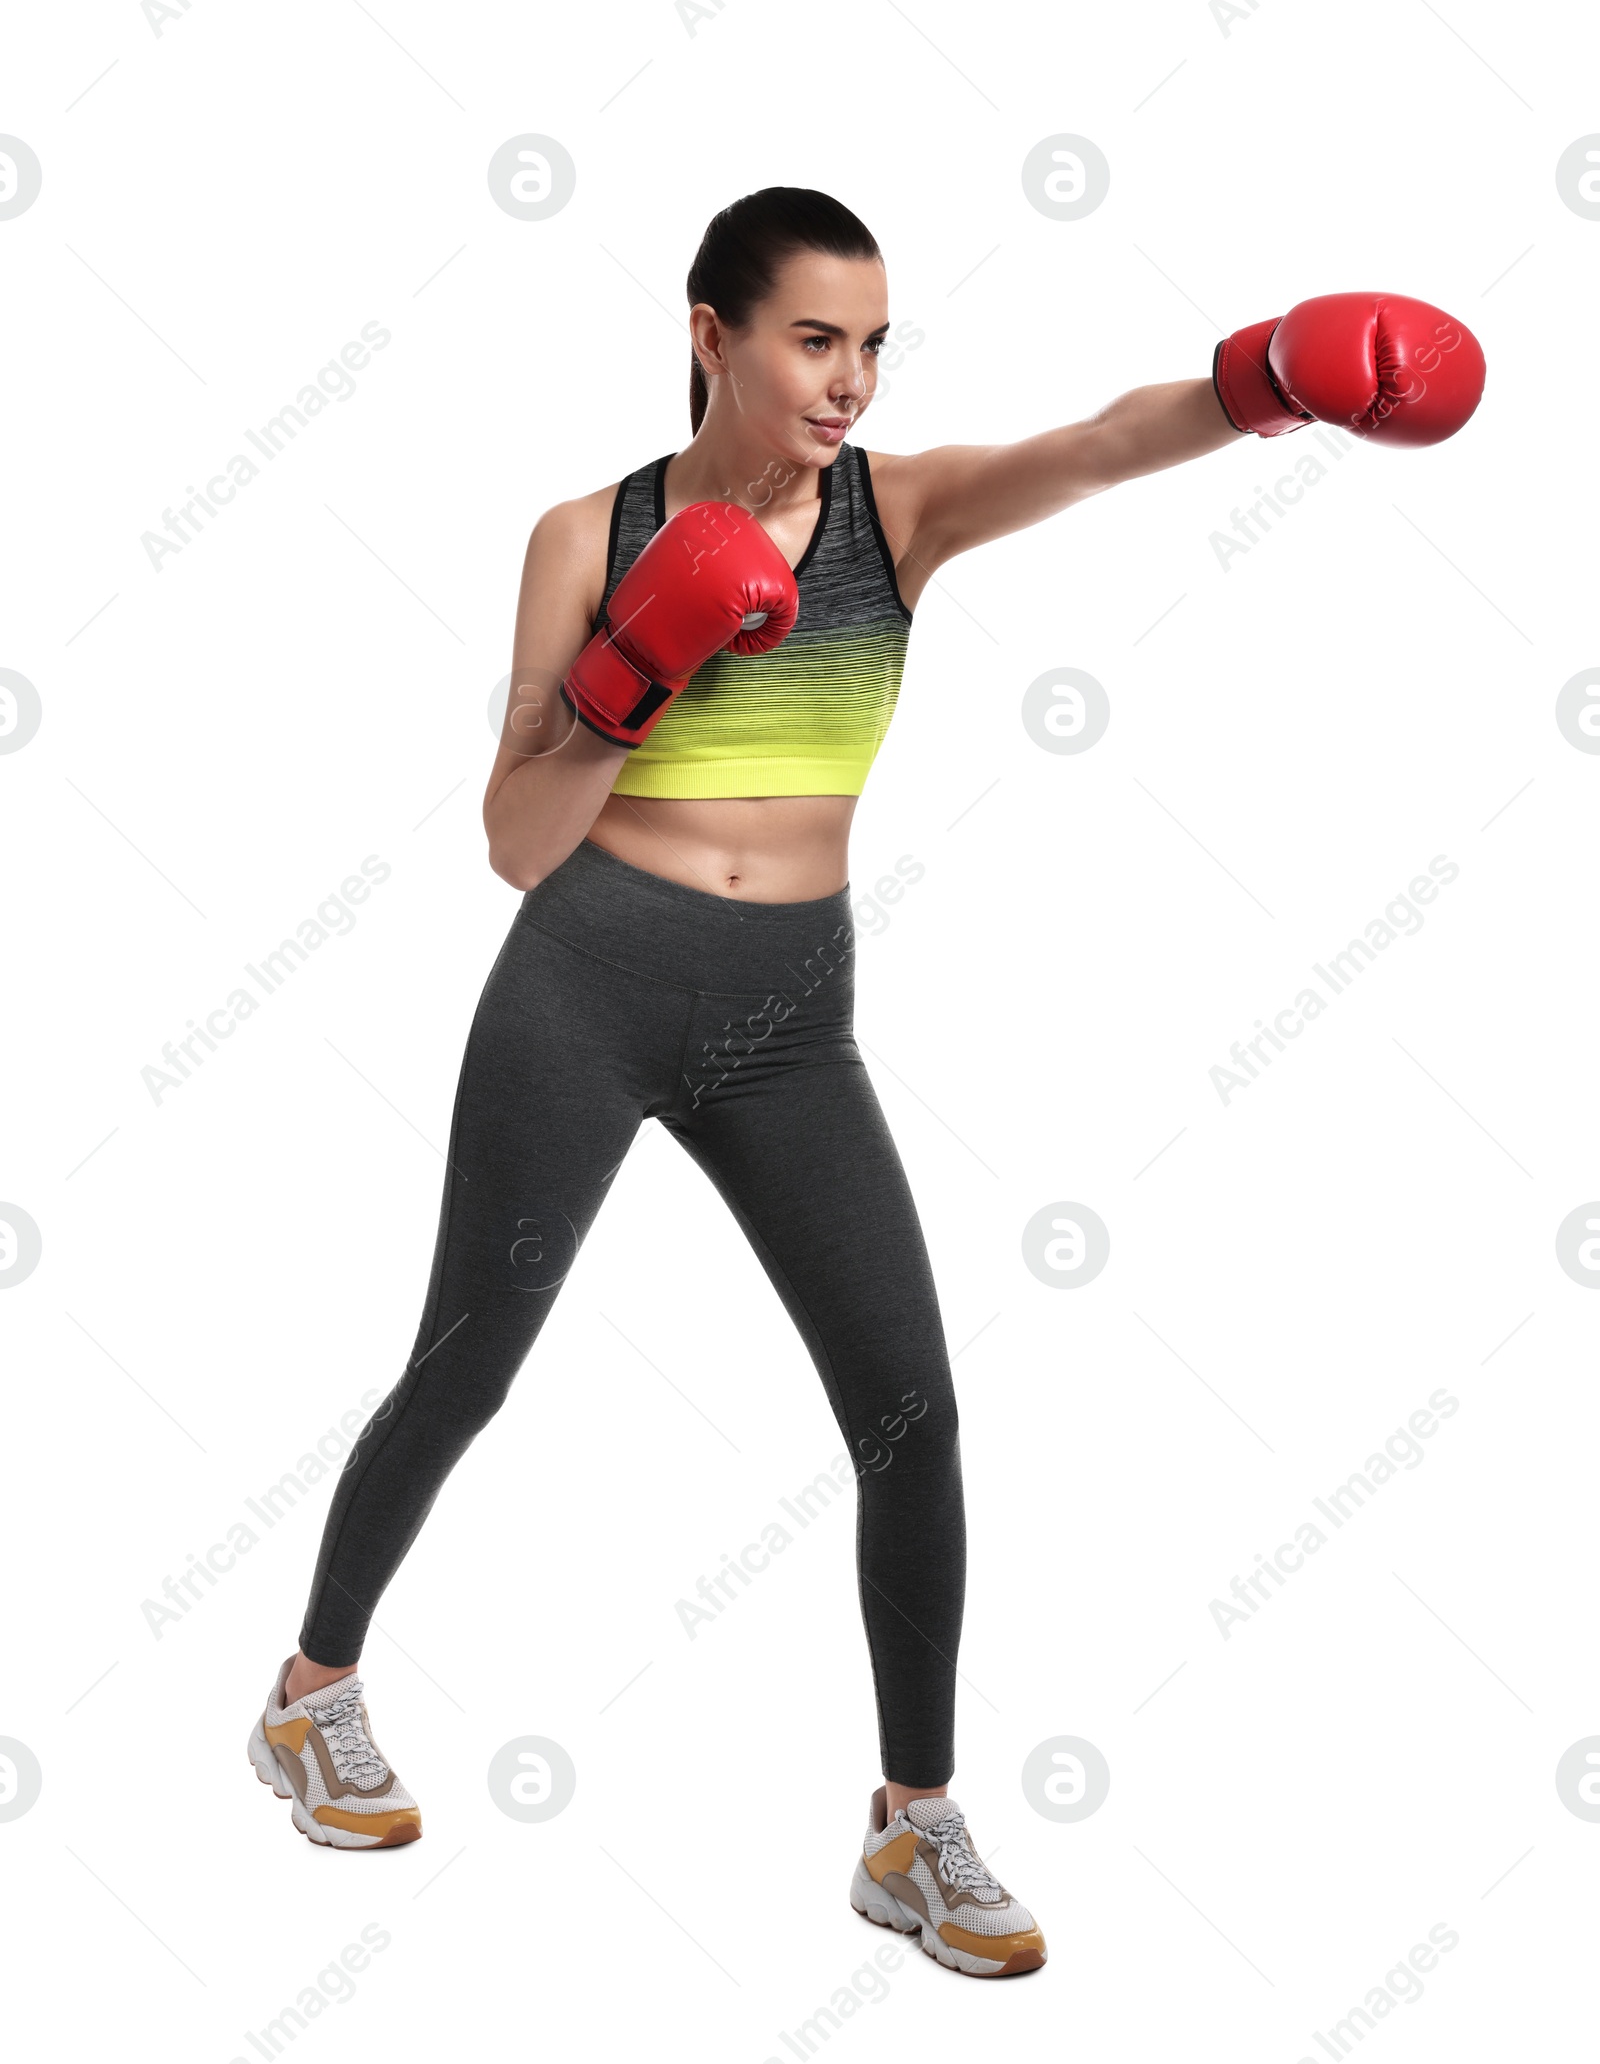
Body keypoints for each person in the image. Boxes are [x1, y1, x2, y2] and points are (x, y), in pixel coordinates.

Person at [248, 187, 1484, 1978]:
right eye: (815, 338)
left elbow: (1088, 446)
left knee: (912, 1411)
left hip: (787, 1024)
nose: (852, 377)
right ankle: (311, 1691)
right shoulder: (583, 532)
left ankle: (912, 1827)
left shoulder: (895, 516)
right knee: (468, 1365)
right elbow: (516, 844)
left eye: (876, 341)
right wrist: (630, 669)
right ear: (712, 335)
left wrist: (1268, 378)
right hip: (585, 986)